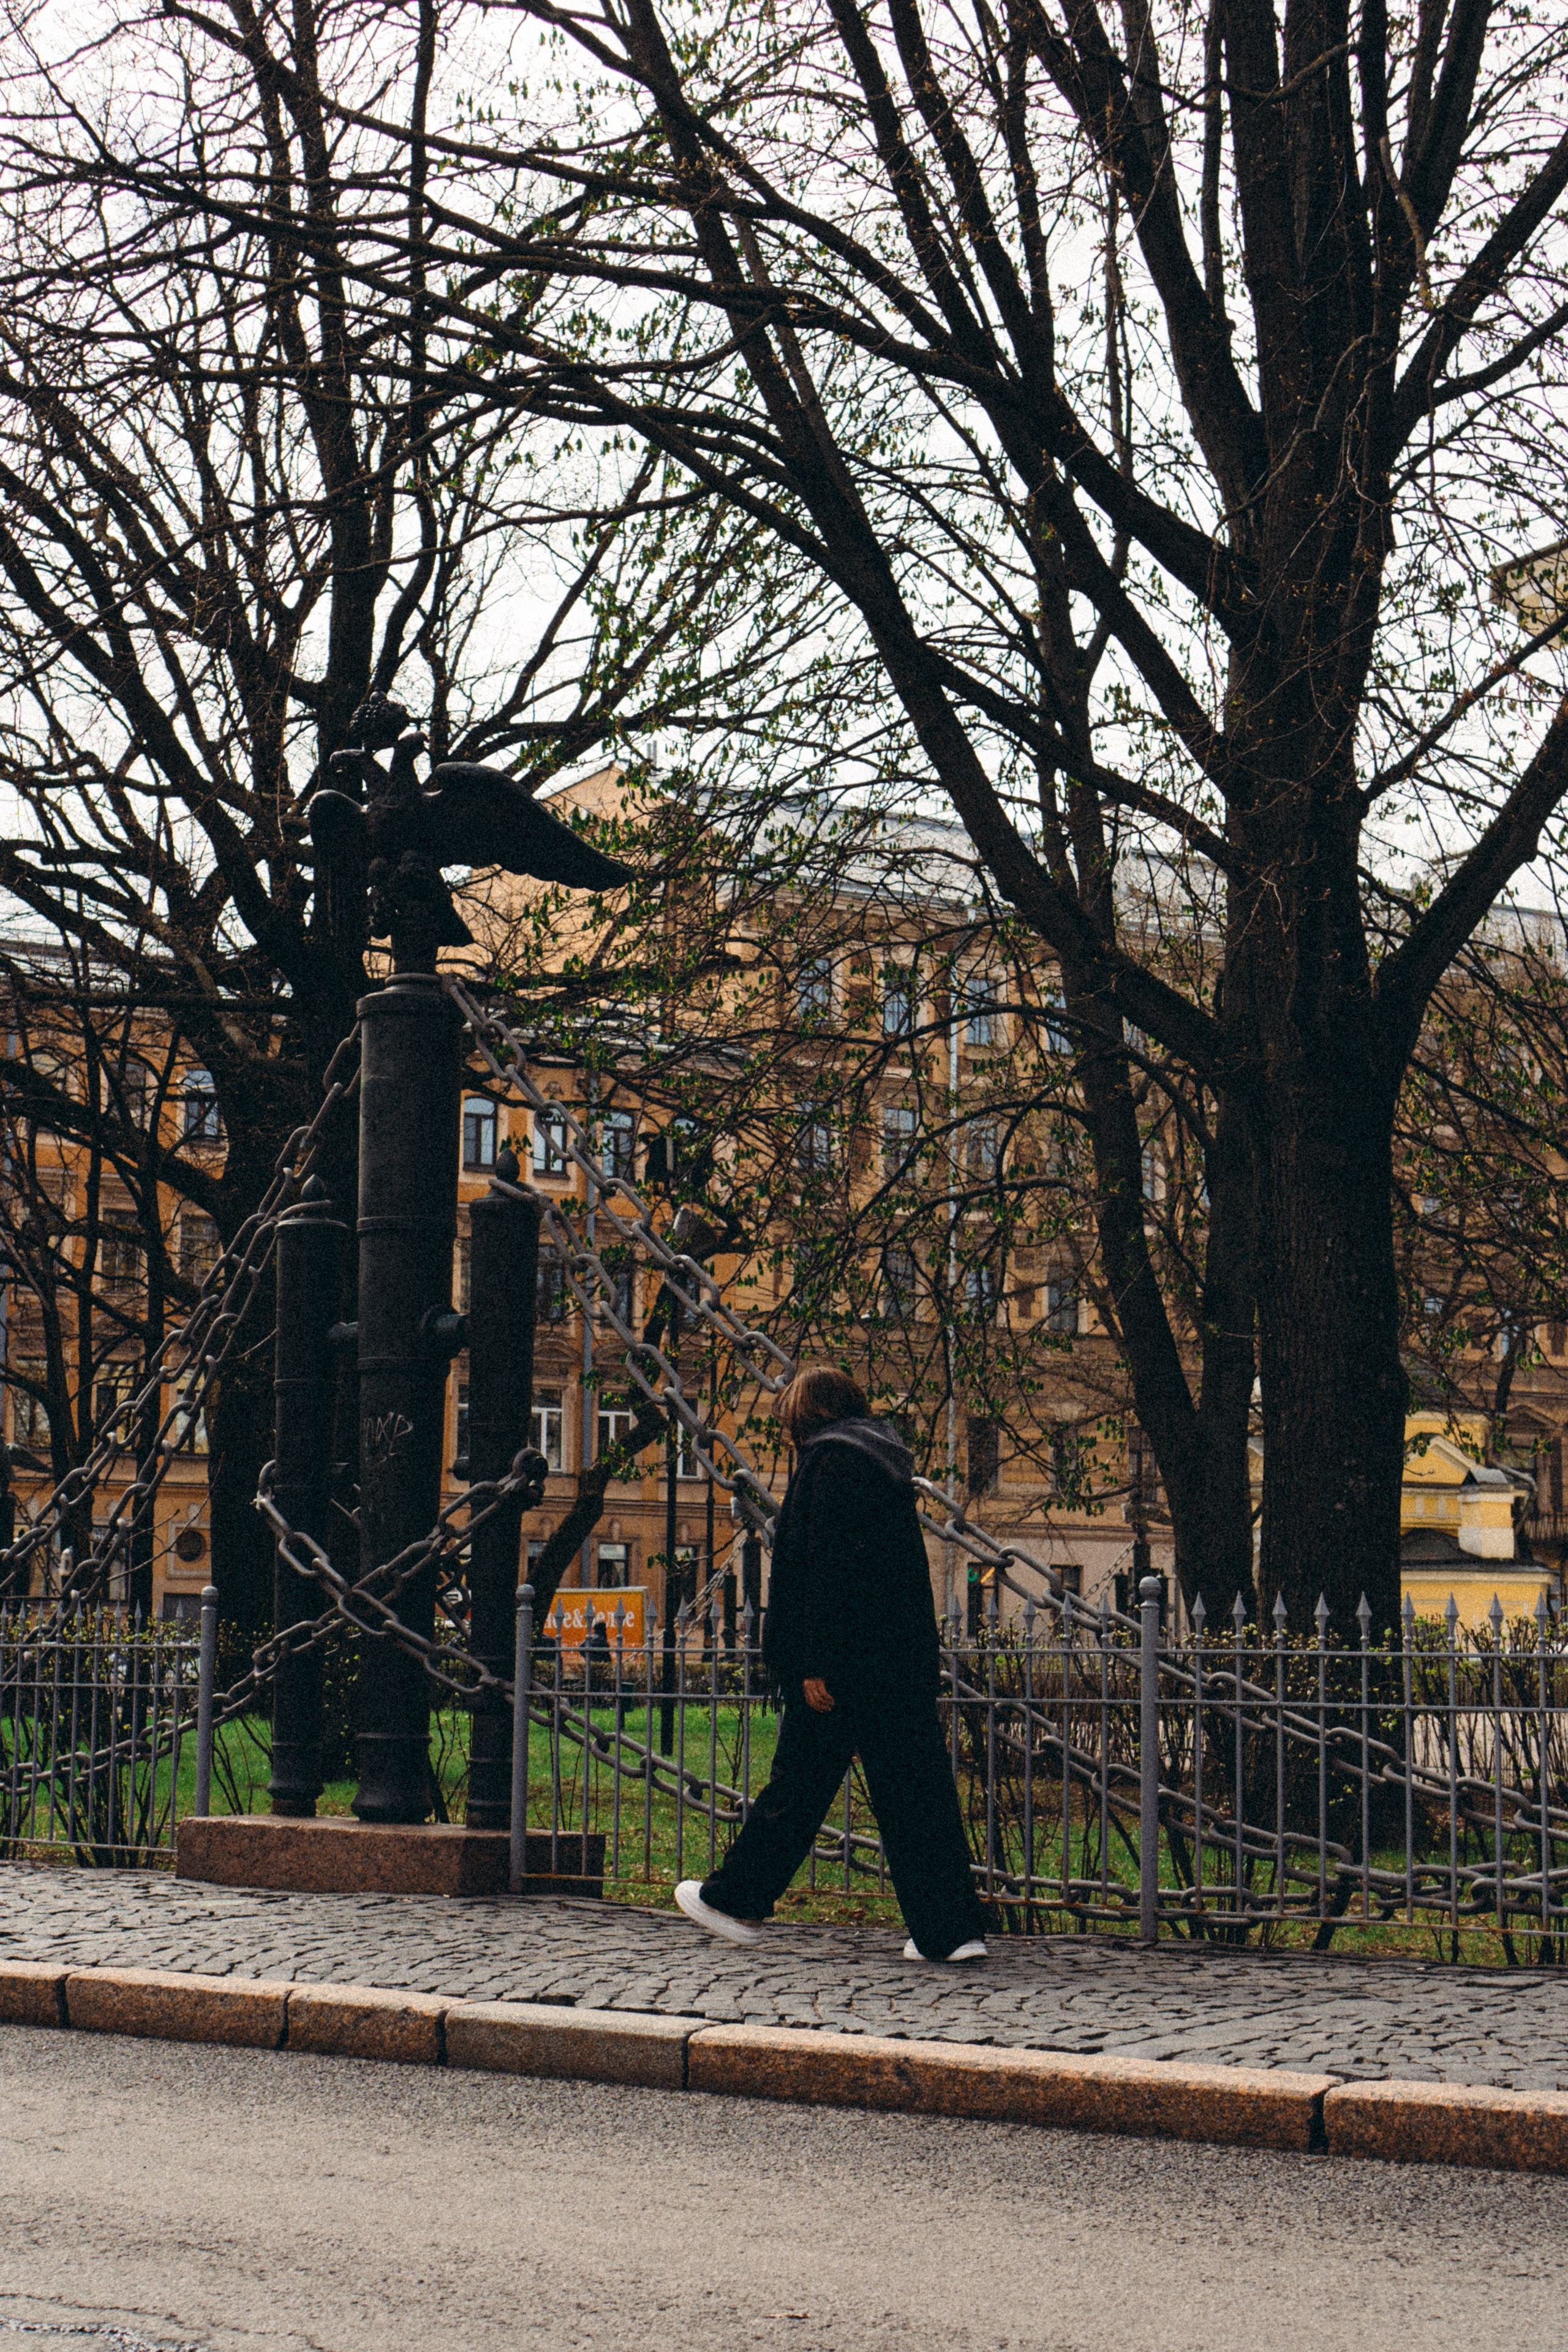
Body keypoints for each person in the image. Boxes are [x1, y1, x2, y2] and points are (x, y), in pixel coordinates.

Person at [675, 1365, 988, 1963]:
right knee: (917, 1792)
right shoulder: (885, 1462)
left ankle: (736, 1901)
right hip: (897, 1659)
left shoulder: (831, 1462)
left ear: (808, 1413)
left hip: (845, 1665)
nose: (786, 1426)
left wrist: (815, 1662)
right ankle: (952, 1932)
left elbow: (826, 1567)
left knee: (798, 1784)